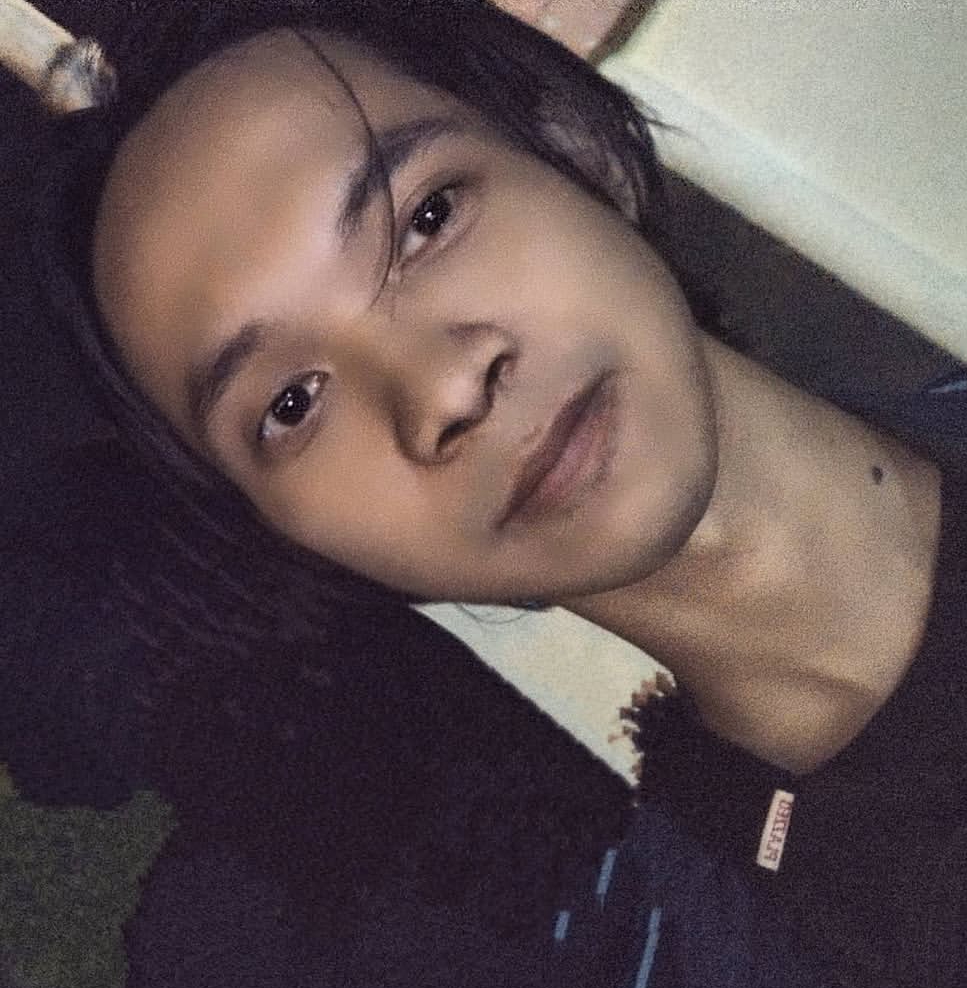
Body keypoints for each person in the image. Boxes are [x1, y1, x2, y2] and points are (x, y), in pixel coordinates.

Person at [19, 0, 967, 984]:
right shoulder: (757, 938)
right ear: (300, 542)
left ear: (568, 142)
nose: (443, 389)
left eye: (428, 219)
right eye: (291, 405)